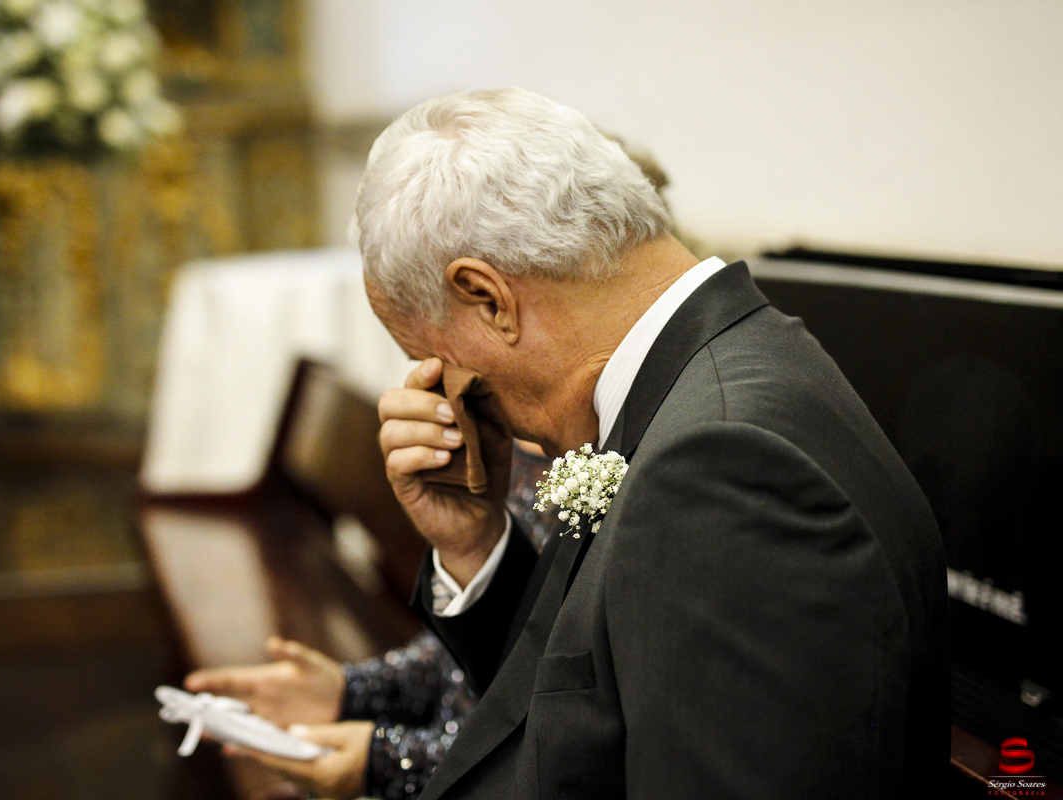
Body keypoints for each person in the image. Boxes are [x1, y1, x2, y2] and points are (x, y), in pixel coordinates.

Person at [236, 87, 950, 799]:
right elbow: (583, 702)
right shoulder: (703, 381)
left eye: (435, 359)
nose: (449, 396)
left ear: (489, 298)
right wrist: (476, 546)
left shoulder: (722, 469)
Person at [186, 443, 558, 799]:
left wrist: (385, 762)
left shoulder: (586, 478)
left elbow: (557, 752)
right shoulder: (515, 445)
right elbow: (471, 655)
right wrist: (351, 691)